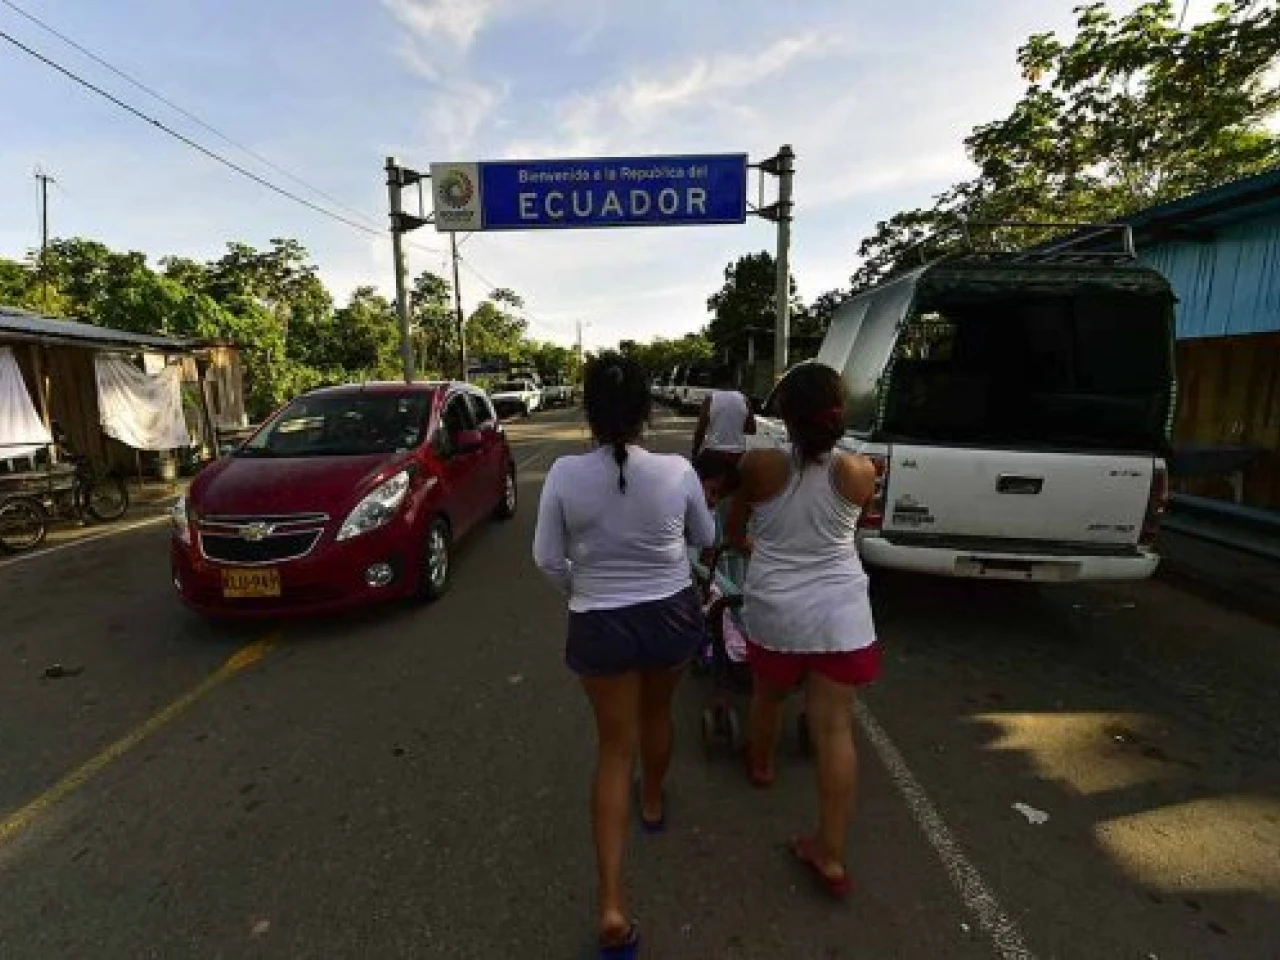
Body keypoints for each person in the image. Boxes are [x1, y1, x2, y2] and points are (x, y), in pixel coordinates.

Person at [533, 354, 717, 957]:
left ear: (589, 412)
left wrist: (584, 592)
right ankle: (654, 801)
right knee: (657, 715)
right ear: (646, 411)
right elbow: (706, 538)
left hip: (599, 622)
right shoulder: (677, 469)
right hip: (669, 616)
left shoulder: (563, 474)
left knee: (615, 749)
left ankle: (612, 904)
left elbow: (547, 559)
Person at [723, 362, 881, 901]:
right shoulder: (861, 471)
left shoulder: (759, 465)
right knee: (834, 730)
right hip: (841, 615)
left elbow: (735, 532)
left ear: (785, 415)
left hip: (777, 610)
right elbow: (849, 530)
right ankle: (830, 853)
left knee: (767, 696)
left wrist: (757, 548)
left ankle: (761, 764)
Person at [692, 365, 755, 467]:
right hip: (738, 455)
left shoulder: (710, 399)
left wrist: (695, 452)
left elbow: (701, 429)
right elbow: (751, 429)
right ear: (734, 379)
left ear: (716, 379)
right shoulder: (744, 399)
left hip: (714, 453)